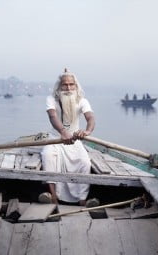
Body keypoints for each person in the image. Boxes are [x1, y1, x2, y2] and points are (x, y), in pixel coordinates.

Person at [40, 69, 95, 206]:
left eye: (72, 85)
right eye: (65, 85)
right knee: (48, 156)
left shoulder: (82, 100)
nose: (68, 88)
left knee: (85, 163)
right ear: (59, 87)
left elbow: (90, 118)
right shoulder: (51, 99)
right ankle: (53, 198)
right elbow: (52, 116)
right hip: (55, 139)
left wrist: (87, 131)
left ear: (76, 86)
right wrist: (63, 132)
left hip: (74, 140)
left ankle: (82, 200)